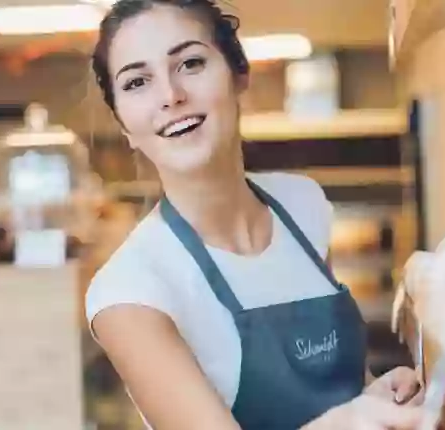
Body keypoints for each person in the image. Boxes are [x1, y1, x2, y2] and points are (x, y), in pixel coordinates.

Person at [84, 1, 425, 429]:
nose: (170, 96)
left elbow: (334, 389)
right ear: (123, 125)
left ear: (238, 74)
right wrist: (351, 421)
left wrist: (376, 394)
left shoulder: (303, 206)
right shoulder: (129, 289)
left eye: (190, 63)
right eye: (137, 82)